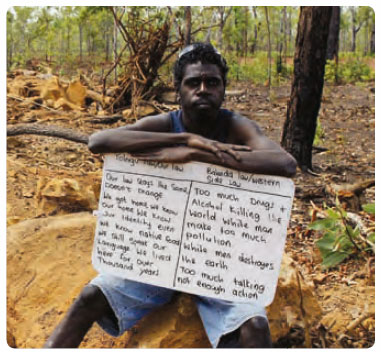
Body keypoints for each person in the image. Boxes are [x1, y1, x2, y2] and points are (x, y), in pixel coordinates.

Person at [44, 42, 296, 348]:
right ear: (179, 89)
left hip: (219, 262)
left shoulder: (235, 126)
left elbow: (285, 163)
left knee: (254, 325)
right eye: (193, 83)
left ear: (223, 89)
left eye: (212, 82)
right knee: (90, 297)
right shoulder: (167, 124)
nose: (203, 89)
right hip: (157, 256)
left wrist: (200, 156)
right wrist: (186, 139)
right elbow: (99, 141)